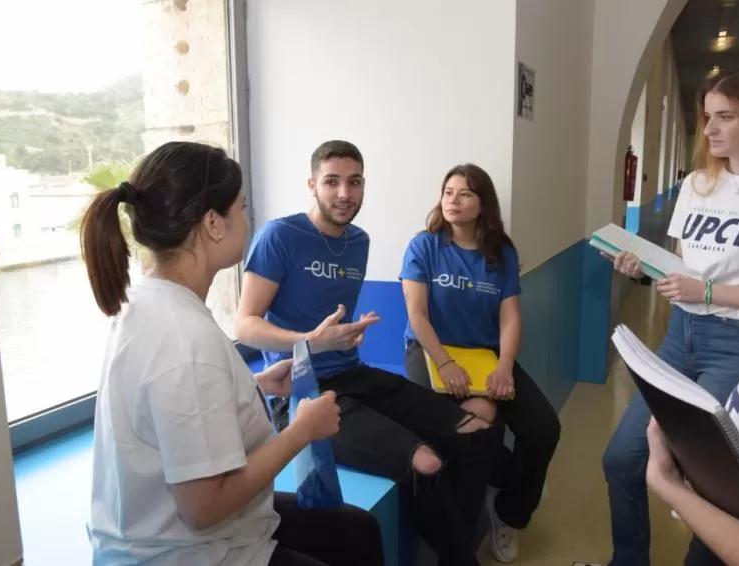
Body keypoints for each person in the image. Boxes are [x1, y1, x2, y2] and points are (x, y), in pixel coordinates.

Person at [83, 141, 383, 566]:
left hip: (172, 532)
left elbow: (173, 403)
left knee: (358, 530)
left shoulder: (147, 303)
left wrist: (254, 384)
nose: (247, 219)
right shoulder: (187, 340)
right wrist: (301, 431)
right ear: (213, 224)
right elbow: (204, 508)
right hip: (189, 553)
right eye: (241, 208)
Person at [236, 140, 499, 566]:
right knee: (426, 463)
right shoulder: (279, 236)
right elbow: (245, 325)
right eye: (332, 182)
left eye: (355, 182)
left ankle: (459, 546)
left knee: (476, 431)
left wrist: (347, 336)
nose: (345, 193)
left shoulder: (359, 241)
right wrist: (312, 340)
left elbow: (333, 319)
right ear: (312, 185)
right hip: (302, 391)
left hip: (355, 375)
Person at [602, 64, 739, 566]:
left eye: (726, 117)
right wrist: (641, 270)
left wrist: (713, 291)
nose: (711, 129)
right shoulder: (698, 183)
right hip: (680, 335)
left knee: (717, 486)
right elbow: (681, 268)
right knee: (622, 458)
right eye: (707, 117)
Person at [400, 163, 560, 563]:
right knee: (466, 425)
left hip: (485, 357)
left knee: (543, 427)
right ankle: (491, 494)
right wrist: (446, 363)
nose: (453, 200)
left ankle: (509, 511)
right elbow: (417, 316)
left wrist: (504, 367)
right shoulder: (424, 246)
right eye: (448, 192)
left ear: (483, 203)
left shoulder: (501, 253)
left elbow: (510, 318)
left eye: (466, 193)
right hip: (429, 352)